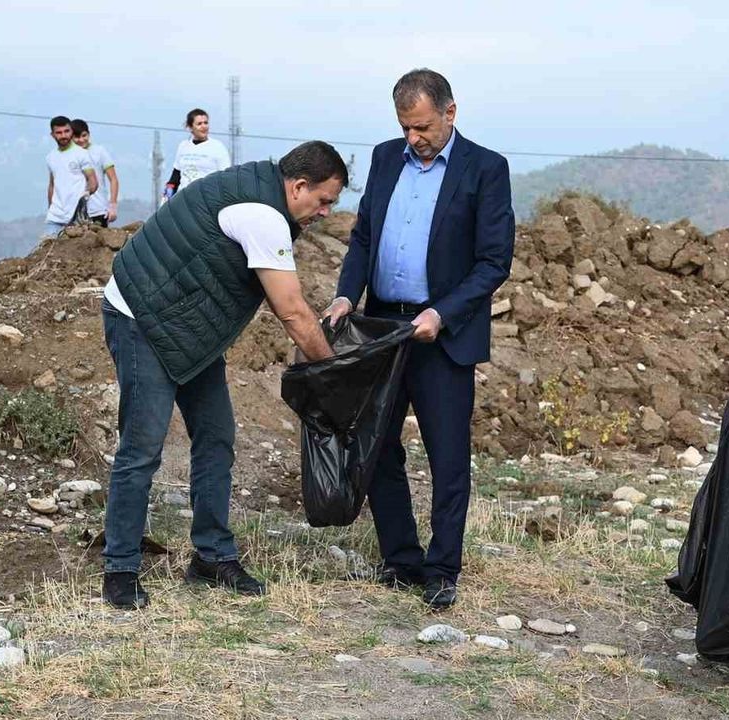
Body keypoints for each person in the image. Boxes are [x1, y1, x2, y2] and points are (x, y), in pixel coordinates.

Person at [99, 141, 347, 610]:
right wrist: (333, 373)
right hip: (142, 316)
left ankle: (212, 556)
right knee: (142, 447)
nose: (326, 212)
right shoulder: (264, 215)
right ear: (298, 186)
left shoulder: (265, 191)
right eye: (324, 200)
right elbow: (293, 313)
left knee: (216, 438)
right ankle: (120, 568)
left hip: (188, 325)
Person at [324, 68, 514, 610]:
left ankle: (442, 568)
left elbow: (493, 262)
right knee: (378, 445)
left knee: (447, 455)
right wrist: (345, 295)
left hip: (440, 335)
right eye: (406, 127)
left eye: (424, 127)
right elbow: (363, 237)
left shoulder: (486, 169)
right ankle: (400, 557)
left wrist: (443, 313)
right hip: (382, 329)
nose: (414, 138)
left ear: (451, 113)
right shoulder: (386, 158)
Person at [44, 116, 98, 238]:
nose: (63, 135)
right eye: (59, 132)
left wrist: (86, 195)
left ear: (71, 132)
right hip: (55, 217)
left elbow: (93, 181)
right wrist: (50, 207)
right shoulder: (51, 157)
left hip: (76, 216)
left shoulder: (82, 154)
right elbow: (52, 184)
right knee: (48, 251)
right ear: (52, 135)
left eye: (66, 131)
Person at [164, 108, 231, 200]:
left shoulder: (217, 147)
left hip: (206, 199)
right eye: (199, 124)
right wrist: (168, 193)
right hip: (183, 198)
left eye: (206, 123)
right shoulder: (183, 146)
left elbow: (226, 178)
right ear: (190, 127)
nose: (204, 126)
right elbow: (176, 176)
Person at [71, 119, 120, 227]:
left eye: (84, 135)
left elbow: (113, 179)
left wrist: (112, 206)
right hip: (74, 213)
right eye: (77, 137)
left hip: (98, 210)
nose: (81, 140)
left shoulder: (99, 152)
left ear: (89, 134)